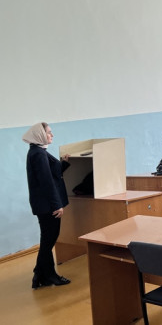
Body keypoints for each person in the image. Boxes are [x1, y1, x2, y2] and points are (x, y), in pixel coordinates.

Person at [23, 122, 71, 288]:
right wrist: (56, 205)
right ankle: (42, 273)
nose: (52, 135)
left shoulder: (38, 151)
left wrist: (63, 163)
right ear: (40, 135)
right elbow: (46, 182)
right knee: (49, 240)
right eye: (49, 132)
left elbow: (51, 173)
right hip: (47, 206)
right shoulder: (38, 154)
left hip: (44, 204)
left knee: (47, 240)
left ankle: (44, 276)